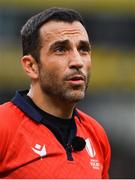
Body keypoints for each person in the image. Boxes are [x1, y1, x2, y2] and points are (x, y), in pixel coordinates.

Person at [0, 7, 111, 179]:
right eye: (60, 49)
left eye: (83, 49)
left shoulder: (96, 134)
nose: (77, 61)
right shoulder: (4, 126)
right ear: (31, 66)